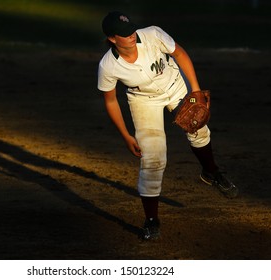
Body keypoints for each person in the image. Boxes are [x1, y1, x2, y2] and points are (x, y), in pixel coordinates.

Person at [97, 11, 239, 240]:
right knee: (153, 159)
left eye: (131, 29)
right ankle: (151, 220)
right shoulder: (108, 66)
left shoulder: (152, 34)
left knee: (198, 127)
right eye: (124, 34)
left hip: (175, 86)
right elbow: (111, 100)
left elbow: (179, 53)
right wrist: (125, 135)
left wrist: (195, 89)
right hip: (143, 100)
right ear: (113, 39)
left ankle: (211, 172)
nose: (132, 35)